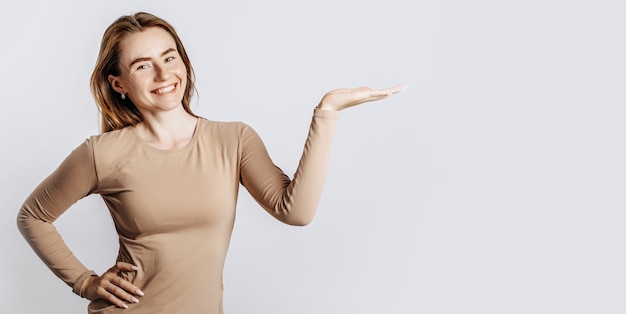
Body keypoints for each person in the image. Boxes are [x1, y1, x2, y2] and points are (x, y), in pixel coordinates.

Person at [17, 11, 404, 314]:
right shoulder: (101, 153)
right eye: (142, 65)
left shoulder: (233, 139)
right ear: (118, 83)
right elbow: (33, 216)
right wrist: (85, 282)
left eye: (170, 57)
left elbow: (296, 211)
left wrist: (327, 112)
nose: (163, 73)